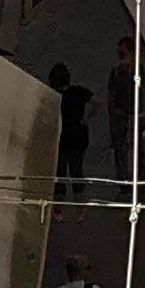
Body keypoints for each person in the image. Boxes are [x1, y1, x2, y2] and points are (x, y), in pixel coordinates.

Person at [49, 59, 92, 191]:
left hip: (61, 139)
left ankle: (57, 209)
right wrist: (86, 118)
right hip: (79, 137)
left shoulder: (53, 96)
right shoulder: (78, 92)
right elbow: (97, 102)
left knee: (59, 174)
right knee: (76, 172)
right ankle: (79, 208)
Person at [105, 35, 139, 188]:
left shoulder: (140, 72)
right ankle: (124, 184)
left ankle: (140, 181)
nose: (120, 58)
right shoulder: (116, 73)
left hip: (137, 116)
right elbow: (111, 96)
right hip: (120, 116)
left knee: (138, 150)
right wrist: (111, 117)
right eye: (118, 54)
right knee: (120, 150)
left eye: (123, 54)